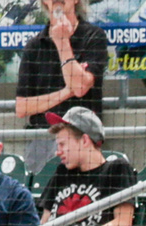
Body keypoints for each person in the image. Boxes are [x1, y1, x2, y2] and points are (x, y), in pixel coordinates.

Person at [37, 108, 137, 226]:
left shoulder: (116, 169)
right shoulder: (62, 173)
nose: (58, 152)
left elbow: (123, 224)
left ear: (84, 140)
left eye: (63, 144)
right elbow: (43, 225)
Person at [14, 0, 110, 156]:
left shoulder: (93, 36)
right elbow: (22, 107)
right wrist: (66, 92)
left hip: (82, 136)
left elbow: (79, 88)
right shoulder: (34, 45)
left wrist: (62, 41)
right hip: (43, 135)